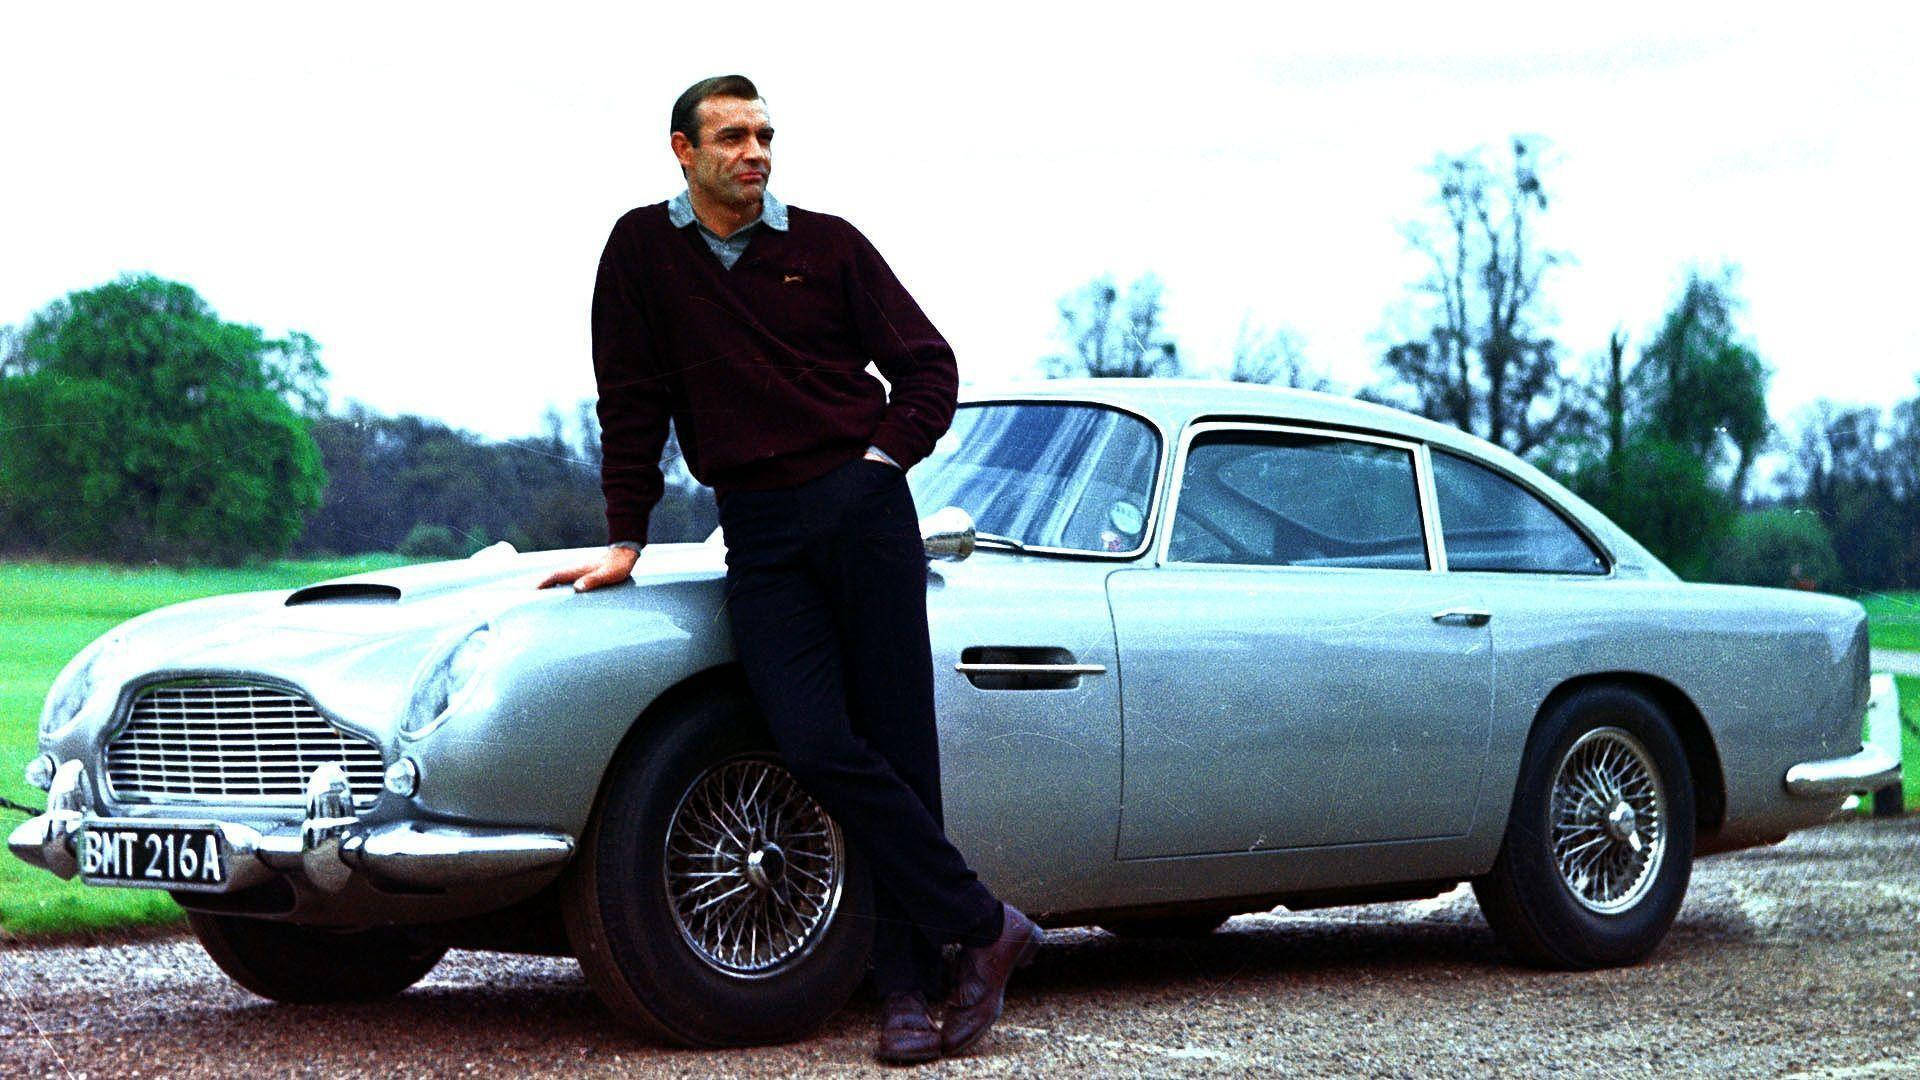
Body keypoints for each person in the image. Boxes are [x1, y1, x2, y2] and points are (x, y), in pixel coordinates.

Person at [536, 74, 1038, 1064]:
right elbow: (629, 399)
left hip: (863, 513)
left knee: (898, 747)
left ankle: (906, 991)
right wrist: (626, 535)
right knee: (812, 739)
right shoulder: (641, 250)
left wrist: (880, 463)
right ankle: (987, 926)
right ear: (683, 150)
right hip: (759, 527)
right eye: (732, 136)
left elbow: (928, 366)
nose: (755, 153)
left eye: (764, 135)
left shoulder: (830, 244)